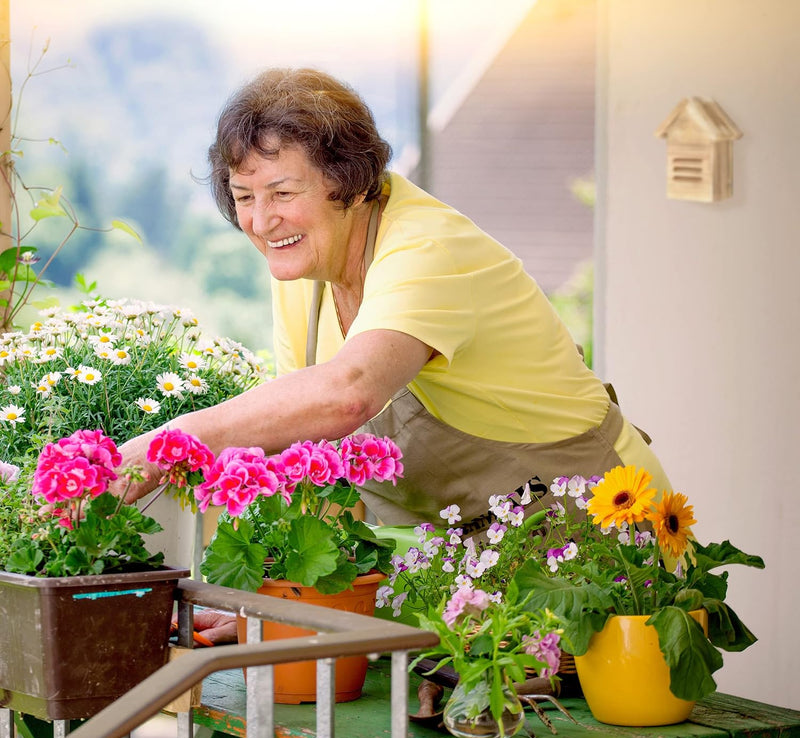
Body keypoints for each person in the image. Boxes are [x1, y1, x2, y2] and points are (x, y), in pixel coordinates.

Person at [118, 66, 670, 537]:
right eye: (244, 198)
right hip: (465, 558)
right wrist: (283, 591)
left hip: (595, 526)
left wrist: (174, 440)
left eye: (284, 193)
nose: (262, 222)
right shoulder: (303, 265)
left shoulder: (429, 247)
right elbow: (314, 461)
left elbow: (349, 395)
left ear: (352, 183)